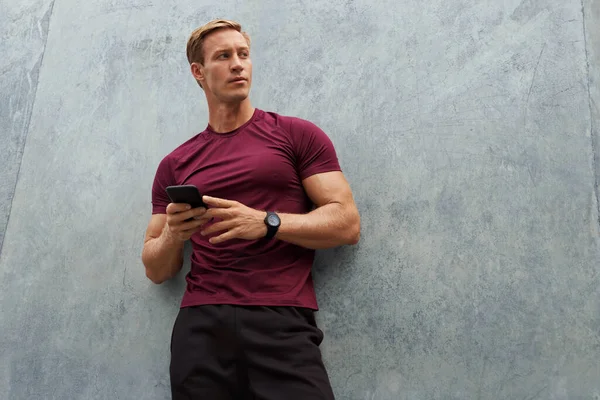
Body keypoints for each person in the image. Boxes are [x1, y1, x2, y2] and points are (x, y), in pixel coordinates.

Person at [141, 19, 361, 400]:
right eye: (223, 56)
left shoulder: (295, 134)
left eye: (243, 54)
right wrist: (175, 234)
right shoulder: (175, 163)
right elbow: (156, 268)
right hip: (201, 324)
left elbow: (346, 224)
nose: (238, 64)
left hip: (280, 318)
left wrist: (267, 222)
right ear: (198, 72)